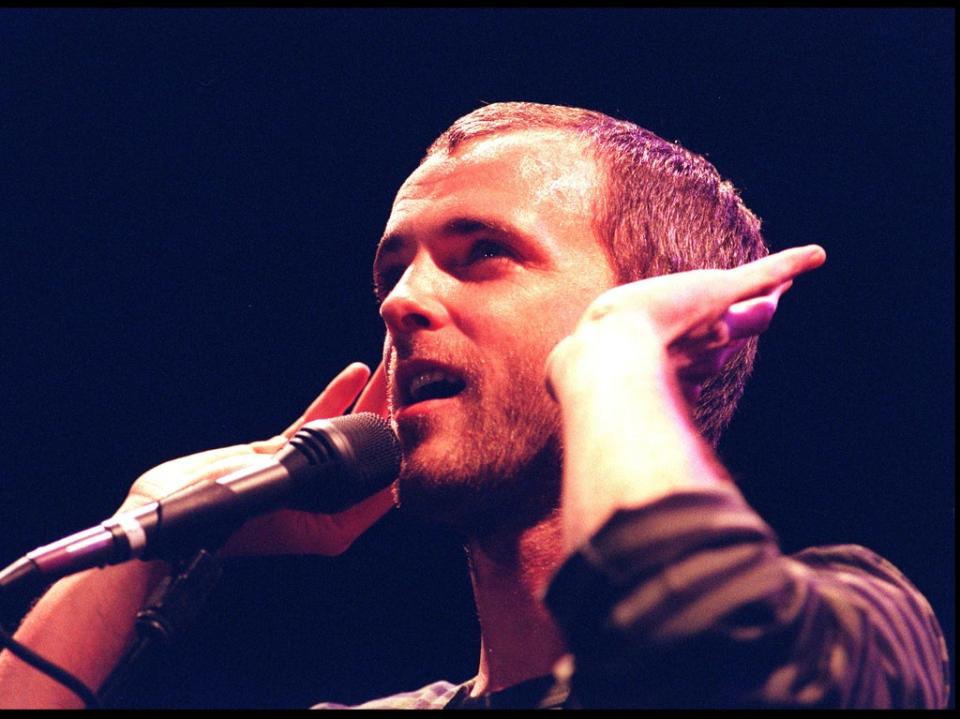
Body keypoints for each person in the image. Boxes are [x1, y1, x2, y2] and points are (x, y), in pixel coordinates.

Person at [0, 102, 949, 709]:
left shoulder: (858, 631)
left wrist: (616, 354)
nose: (399, 301)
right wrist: (151, 534)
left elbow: (695, 657)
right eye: (392, 269)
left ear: (684, 317)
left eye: (481, 252)